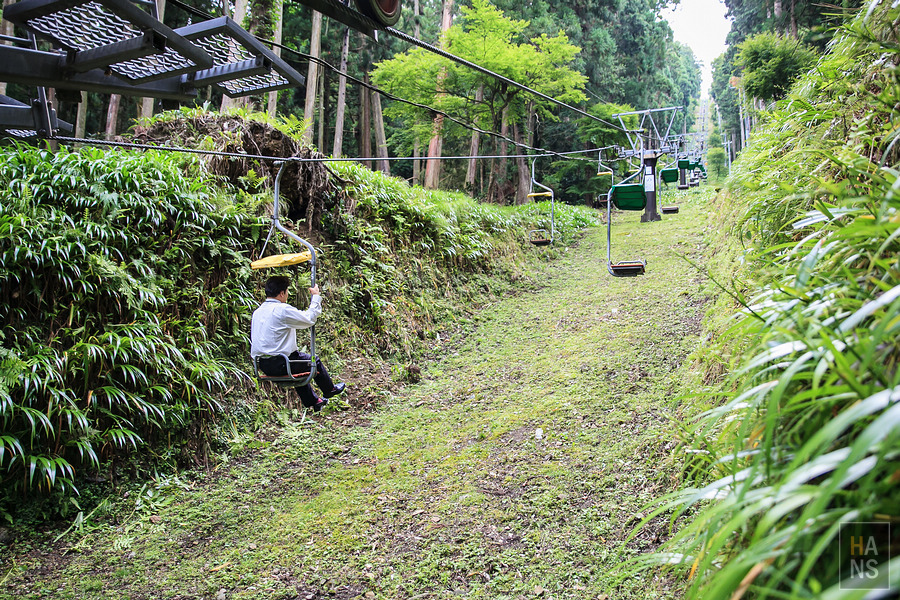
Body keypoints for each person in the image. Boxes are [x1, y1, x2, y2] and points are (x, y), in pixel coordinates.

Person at [250, 275, 346, 412]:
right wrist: (316, 297)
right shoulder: (282, 310)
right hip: (281, 363)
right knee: (313, 362)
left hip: (263, 364)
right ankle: (329, 389)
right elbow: (309, 319)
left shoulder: (257, 312)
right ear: (282, 293)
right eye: (287, 292)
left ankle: (314, 401)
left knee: (298, 363)